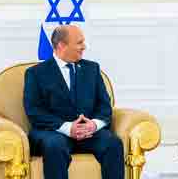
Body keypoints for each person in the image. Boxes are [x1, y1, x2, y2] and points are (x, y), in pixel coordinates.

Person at [24, 25, 123, 179]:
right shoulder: (36, 73)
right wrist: (68, 128)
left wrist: (94, 124)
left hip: (89, 132)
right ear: (61, 45)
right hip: (53, 132)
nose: (84, 46)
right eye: (79, 42)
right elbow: (34, 111)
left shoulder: (92, 69)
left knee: (113, 143)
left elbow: (104, 105)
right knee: (55, 146)